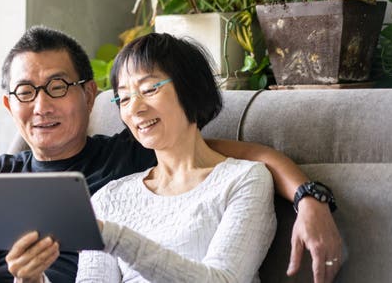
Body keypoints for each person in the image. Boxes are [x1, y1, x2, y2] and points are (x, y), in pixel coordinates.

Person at [0, 26, 342, 283]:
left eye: (57, 87)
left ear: (89, 95)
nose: (41, 106)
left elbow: (248, 156)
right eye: (125, 98)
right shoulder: (100, 194)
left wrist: (310, 198)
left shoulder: (126, 157)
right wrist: (16, 241)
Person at [75, 32, 274, 282]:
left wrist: (116, 238)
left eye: (148, 89)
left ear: (190, 88)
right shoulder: (108, 199)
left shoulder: (243, 180)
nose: (135, 108)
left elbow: (224, 280)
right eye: (123, 98)